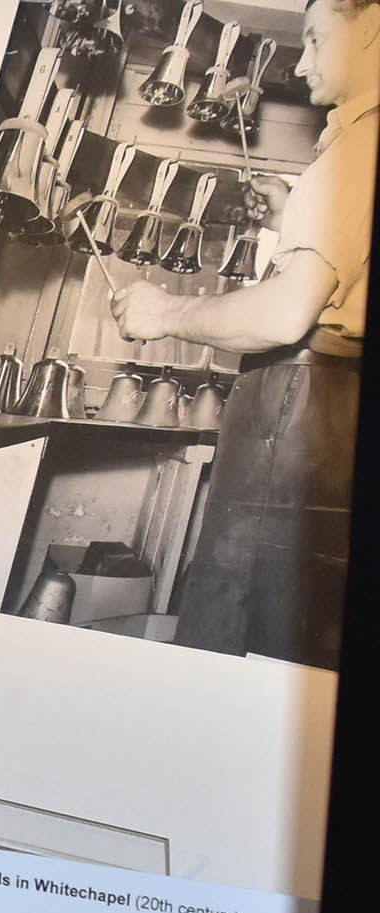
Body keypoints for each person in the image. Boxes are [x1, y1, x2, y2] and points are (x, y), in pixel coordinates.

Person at [111, 0, 378, 669]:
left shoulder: (361, 144)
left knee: (232, 648)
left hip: (297, 418)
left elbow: (284, 316)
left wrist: (166, 313)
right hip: (335, 419)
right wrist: (294, 215)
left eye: (317, 39)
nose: (301, 59)